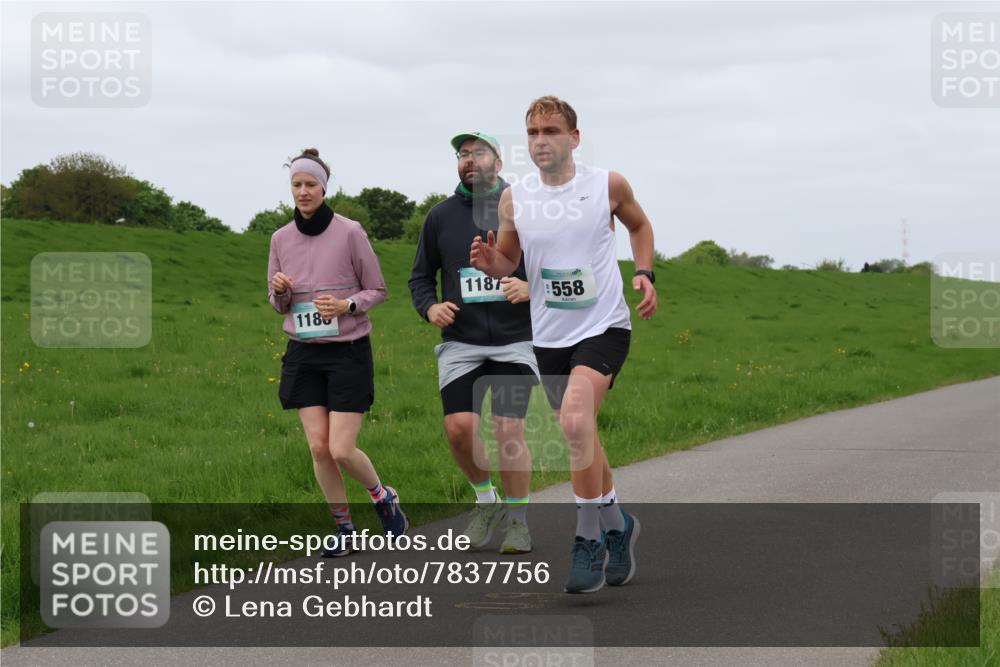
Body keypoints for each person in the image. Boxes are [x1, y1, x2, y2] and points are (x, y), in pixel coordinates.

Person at [470, 97, 658, 593]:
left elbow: (639, 225)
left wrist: (644, 272)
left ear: (574, 137)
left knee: (575, 422)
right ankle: (620, 524)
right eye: (532, 132)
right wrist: (492, 261)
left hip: (604, 326)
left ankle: (588, 537)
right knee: (582, 433)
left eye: (551, 130)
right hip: (549, 335)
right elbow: (510, 261)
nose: (540, 140)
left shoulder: (606, 185)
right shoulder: (514, 199)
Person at [268, 148, 407, 557]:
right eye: (297, 185)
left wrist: (347, 306)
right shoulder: (279, 238)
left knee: (341, 449)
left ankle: (383, 498)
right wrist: (280, 292)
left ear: (324, 188)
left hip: (347, 351)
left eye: (311, 184)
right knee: (317, 447)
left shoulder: (350, 232)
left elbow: (378, 289)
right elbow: (278, 304)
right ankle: (344, 528)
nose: (303, 191)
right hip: (303, 353)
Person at [409, 132, 538, 554]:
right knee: (459, 429)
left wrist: (527, 285)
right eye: (462, 154)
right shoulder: (440, 217)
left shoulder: (527, 208)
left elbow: (553, 263)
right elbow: (420, 278)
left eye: (478, 152)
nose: (469, 160)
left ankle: (518, 521)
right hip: (461, 343)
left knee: (508, 428)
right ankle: (487, 502)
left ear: (498, 162)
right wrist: (430, 308)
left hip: (515, 340)